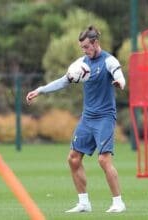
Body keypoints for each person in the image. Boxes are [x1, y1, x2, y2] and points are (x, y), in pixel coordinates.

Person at [26, 25, 126, 213]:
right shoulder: (81, 64)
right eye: (82, 48)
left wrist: (120, 82)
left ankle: (118, 202)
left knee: (104, 160)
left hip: (105, 117)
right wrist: (40, 90)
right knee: (73, 158)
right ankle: (83, 203)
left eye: (87, 47)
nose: (85, 51)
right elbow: (63, 81)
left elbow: (120, 75)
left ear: (95, 43)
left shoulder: (109, 61)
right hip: (87, 118)